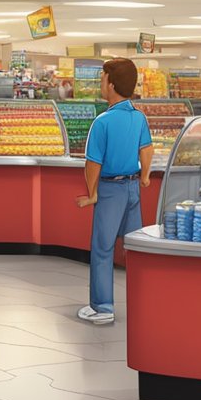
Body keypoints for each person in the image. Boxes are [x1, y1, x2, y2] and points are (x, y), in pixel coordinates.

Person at [76, 58, 152, 325]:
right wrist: (144, 177)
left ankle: (103, 307)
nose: (100, 83)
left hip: (110, 190)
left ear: (111, 82)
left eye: (102, 78)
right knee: (134, 247)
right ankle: (144, 303)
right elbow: (147, 150)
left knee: (102, 248)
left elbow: (93, 163)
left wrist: (92, 193)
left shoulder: (103, 121)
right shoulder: (139, 117)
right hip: (132, 189)